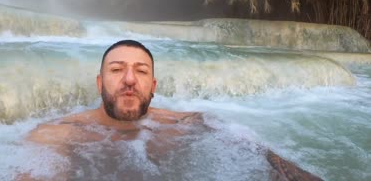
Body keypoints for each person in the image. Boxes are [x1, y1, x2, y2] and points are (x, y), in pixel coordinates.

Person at [21, 40, 322, 181]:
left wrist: (280, 165)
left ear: (153, 85)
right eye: (116, 70)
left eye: (140, 72)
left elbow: (239, 140)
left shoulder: (183, 122)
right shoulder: (59, 133)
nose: (128, 80)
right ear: (100, 81)